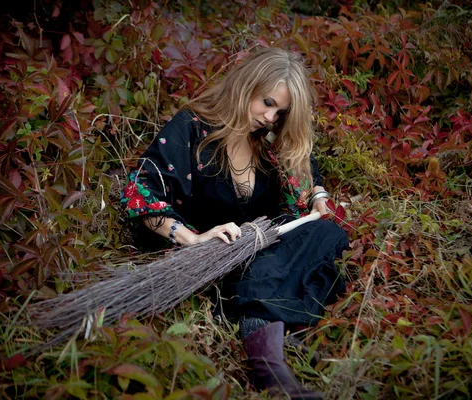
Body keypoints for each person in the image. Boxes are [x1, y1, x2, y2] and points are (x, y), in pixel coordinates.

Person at [121, 47, 348, 399]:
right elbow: (141, 192)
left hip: (260, 248)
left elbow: (306, 166)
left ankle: (270, 332)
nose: (271, 117)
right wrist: (194, 239)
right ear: (246, 86)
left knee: (327, 234)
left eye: (280, 112)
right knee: (273, 272)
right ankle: (273, 362)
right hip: (215, 258)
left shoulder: (268, 140)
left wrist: (317, 193)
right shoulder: (192, 127)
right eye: (267, 103)